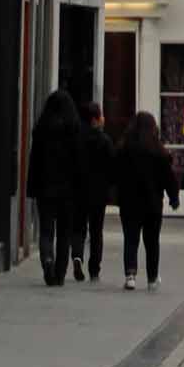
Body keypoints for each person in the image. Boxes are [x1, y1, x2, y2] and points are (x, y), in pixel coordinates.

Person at [114, 110, 180, 290]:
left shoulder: (123, 149)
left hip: (129, 203)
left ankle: (130, 275)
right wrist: (174, 197)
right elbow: (169, 178)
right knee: (152, 241)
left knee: (131, 238)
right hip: (152, 204)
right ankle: (152, 278)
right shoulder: (159, 152)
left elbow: (115, 174)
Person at [27, 88, 83, 288]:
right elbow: (79, 163)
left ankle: (47, 261)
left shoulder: (42, 130)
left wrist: (31, 187)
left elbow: (34, 162)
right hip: (68, 191)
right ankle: (60, 272)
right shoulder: (74, 131)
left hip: (46, 188)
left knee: (46, 229)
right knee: (65, 232)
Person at [71, 99, 115, 285]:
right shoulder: (105, 141)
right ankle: (94, 269)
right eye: (102, 115)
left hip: (80, 189)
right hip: (99, 192)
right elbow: (112, 166)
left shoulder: (77, 139)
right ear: (95, 120)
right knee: (96, 231)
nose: (104, 119)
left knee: (79, 227)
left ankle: (77, 256)